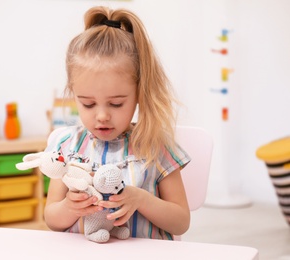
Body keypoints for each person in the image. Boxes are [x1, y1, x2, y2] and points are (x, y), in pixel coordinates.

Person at [43, 6, 191, 240]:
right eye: (88, 104)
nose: (102, 115)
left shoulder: (155, 146)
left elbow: (181, 222)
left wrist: (141, 200)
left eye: (116, 104)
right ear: (74, 94)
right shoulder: (67, 146)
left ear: (139, 93)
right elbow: (51, 219)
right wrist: (69, 208)